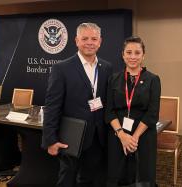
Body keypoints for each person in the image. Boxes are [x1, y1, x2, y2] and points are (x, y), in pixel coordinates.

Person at [42, 22, 112, 187]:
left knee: (88, 179)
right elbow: (52, 106)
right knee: (66, 179)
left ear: (100, 41)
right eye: (85, 38)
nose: (90, 42)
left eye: (94, 38)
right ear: (76, 41)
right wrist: (50, 140)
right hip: (71, 136)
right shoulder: (62, 68)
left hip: (97, 137)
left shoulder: (106, 67)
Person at [105, 36, 161, 186]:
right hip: (118, 134)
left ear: (143, 55)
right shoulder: (113, 79)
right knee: (118, 175)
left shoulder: (153, 80)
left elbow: (152, 113)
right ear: (123, 54)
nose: (133, 57)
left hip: (143, 135)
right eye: (128, 52)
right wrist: (122, 135)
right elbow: (109, 111)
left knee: (142, 177)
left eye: (137, 52)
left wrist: (133, 138)